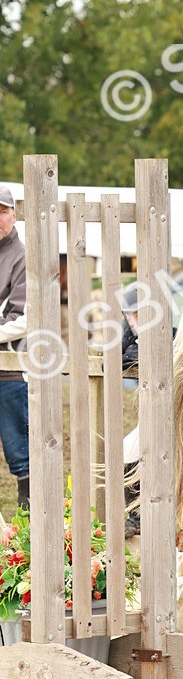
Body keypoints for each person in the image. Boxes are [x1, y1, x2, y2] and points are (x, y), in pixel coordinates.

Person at [0, 184, 30, 510]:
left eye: (3, 211)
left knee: (20, 451)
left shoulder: (22, 257)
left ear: (14, 214)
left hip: (9, 369)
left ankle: (30, 519)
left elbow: (24, 317)